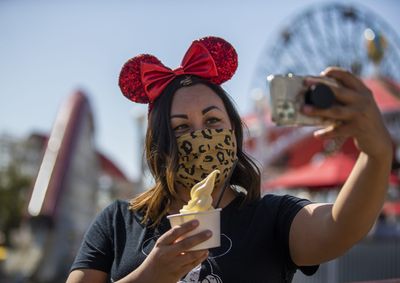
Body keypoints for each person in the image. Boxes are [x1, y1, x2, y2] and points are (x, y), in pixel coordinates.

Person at [66, 36, 393, 283]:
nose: (200, 136)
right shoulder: (119, 222)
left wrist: (375, 153)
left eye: (212, 122)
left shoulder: (270, 218)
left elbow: (339, 227)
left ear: (235, 134)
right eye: (181, 127)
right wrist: (147, 277)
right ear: (159, 144)